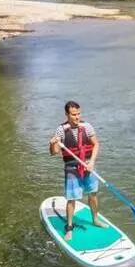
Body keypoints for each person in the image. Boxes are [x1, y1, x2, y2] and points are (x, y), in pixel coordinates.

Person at [48, 100, 107, 241]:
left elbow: (96, 144)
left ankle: (95, 219)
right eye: (73, 114)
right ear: (67, 114)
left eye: (78, 114)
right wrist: (52, 144)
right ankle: (69, 227)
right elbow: (54, 152)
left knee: (93, 194)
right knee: (72, 198)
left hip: (88, 165)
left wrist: (92, 162)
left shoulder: (87, 126)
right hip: (72, 168)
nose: (77, 117)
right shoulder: (61, 130)